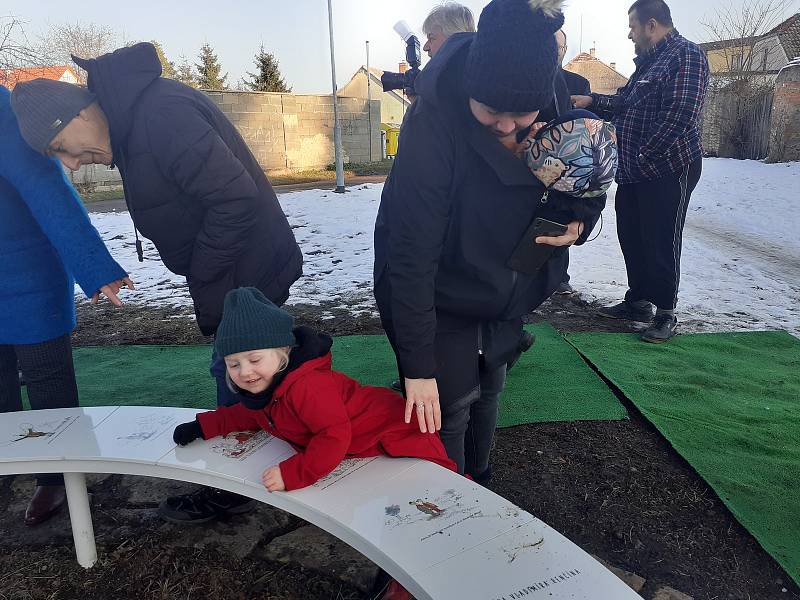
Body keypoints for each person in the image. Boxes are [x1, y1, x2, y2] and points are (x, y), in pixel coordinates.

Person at [11, 41, 303, 521]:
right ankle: (264, 470)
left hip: (245, 272)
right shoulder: (133, 122)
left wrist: (204, 271)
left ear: (78, 117)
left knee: (243, 374)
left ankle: (242, 485)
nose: (69, 163)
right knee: (252, 374)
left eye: (61, 148)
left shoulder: (160, 116)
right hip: (232, 269)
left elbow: (235, 200)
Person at [374, 0, 605, 483]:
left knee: (491, 381)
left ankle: (481, 477)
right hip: (440, 284)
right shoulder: (432, 122)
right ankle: (446, 499)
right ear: (471, 88)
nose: (504, 125)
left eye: (520, 114)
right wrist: (417, 368)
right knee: (446, 403)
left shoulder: (551, 91)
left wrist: (580, 221)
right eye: (491, 111)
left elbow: (587, 174)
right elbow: (411, 252)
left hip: (510, 275)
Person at [170, 287, 456, 495]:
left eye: (254, 359)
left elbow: (333, 435)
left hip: (397, 433)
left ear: (282, 353)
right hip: (358, 443)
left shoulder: (307, 387)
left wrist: (294, 473)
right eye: (234, 364)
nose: (245, 371)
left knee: (434, 494)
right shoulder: (267, 385)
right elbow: (249, 415)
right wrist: (203, 426)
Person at [0, 85, 131, 527]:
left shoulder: (5, 114)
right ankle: (6, 466)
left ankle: (57, 476)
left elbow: (49, 193)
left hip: (28, 278)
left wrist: (94, 267)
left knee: (47, 383)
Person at [571, 0, 709, 343]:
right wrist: (592, 103)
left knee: (662, 237)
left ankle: (665, 311)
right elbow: (625, 102)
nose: (629, 33)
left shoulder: (686, 55)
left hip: (668, 164)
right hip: (634, 168)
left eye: (632, 26)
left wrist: (647, 153)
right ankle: (638, 301)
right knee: (633, 235)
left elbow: (682, 115)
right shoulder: (649, 62)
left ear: (651, 24)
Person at [552, 28, 591, 296]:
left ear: (564, 50)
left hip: (567, 161)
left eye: (559, 46)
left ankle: (559, 276)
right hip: (532, 157)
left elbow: (588, 129)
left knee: (562, 216)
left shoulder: (578, 83)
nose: (554, 50)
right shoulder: (525, 78)